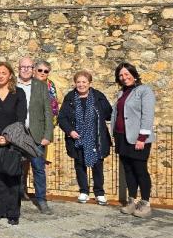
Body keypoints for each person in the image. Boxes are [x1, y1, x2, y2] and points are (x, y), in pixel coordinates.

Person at [0, 62, 27, 225]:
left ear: (10, 75)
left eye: (4, 73)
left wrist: (8, 138)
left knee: (13, 176)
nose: (0, 75)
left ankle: (13, 213)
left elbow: (21, 119)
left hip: (13, 141)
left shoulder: (18, 93)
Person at [58, 71, 113, 206]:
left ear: (89, 83)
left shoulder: (98, 97)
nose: (81, 85)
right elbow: (62, 118)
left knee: (97, 166)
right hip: (77, 139)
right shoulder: (70, 97)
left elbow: (108, 114)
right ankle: (84, 191)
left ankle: (99, 193)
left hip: (96, 139)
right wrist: (70, 131)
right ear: (75, 83)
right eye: (78, 82)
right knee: (80, 165)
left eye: (84, 82)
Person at [112, 62, 156, 218]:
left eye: (127, 74)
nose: (124, 77)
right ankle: (132, 201)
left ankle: (145, 204)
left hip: (138, 139)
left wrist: (142, 138)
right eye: (121, 75)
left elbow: (148, 115)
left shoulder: (144, 91)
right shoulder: (121, 93)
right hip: (122, 137)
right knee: (128, 170)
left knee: (140, 170)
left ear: (134, 74)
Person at [16, 56, 54, 214]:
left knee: (38, 169)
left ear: (33, 69)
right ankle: (15, 195)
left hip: (36, 135)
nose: (26, 70)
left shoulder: (41, 86)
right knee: (15, 167)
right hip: (17, 134)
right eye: (23, 67)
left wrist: (48, 135)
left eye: (29, 67)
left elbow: (48, 112)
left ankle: (41, 200)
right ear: (18, 68)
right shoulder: (11, 85)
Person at [34, 60, 60, 166]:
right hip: (29, 128)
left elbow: (54, 107)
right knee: (25, 161)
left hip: (46, 129)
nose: (42, 73)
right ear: (34, 70)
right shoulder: (27, 84)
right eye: (40, 70)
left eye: (46, 71)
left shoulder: (51, 86)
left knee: (42, 162)